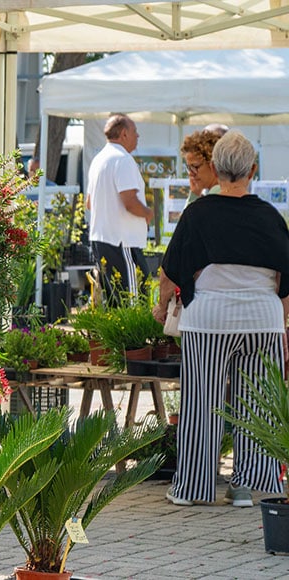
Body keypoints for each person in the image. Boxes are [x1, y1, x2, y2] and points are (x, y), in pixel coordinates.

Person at [154, 131, 289, 508]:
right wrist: (281, 326)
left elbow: (171, 271)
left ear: (214, 167)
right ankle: (248, 486)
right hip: (263, 321)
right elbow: (285, 281)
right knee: (256, 407)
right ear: (253, 170)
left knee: (202, 402)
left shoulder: (198, 214)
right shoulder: (270, 217)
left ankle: (193, 489)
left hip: (209, 319)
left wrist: (161, 306)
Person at [85, 114, 151, 305]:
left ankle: (117, 336)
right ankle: (134, 337)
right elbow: (129, 201)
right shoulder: (123, 159)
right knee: (133, 301)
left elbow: (90, 203)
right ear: (124, 134)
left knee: (114, 302)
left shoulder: (98, 159)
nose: (137, 136)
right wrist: (147, 213)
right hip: (122, 241)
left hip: (102, 239)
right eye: (135, 132)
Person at [181, 129, 222, 204]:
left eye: (195, 167)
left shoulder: (212, 201)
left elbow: (189, 215)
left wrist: (193, 196)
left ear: (213, 165)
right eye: (189, 168)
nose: (191, 173)